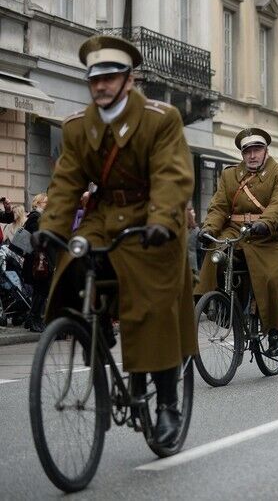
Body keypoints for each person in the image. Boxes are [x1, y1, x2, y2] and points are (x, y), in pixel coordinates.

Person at [33, 35, 197, 445]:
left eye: (110, 77)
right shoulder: (77, 126)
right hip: (105, 216)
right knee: (72, 262)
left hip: (151, 220)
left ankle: (167, 405)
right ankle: (95, 326)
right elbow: (67, 180)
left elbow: (171, 175)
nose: (101, 86)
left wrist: (162, 220)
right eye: (95, 79)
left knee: (152, 307)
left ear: (129, 80)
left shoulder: (161, 119)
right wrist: (50, 228)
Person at [196, 127, 278, 358]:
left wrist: (266, 223)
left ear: (265, 151)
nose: (252, 155)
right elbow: (219, 206)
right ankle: (216, 302)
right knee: (215, 250)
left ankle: (275, 332)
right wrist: (208, 228)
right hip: (236, 229)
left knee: (271, 279)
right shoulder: (230, 175)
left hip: (270, 234)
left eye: (257, 150)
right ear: (242, 154)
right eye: (247, 151)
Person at [23, 193, 50, 332]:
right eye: (45, 202)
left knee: (40, 291)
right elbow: (37, 238)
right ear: (38, 203)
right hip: (37, 261)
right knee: (41, 290)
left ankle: (34, 319)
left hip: (39, 260)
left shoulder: (39, 217)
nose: (48, 204)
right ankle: (34, 320)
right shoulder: (35, 217)